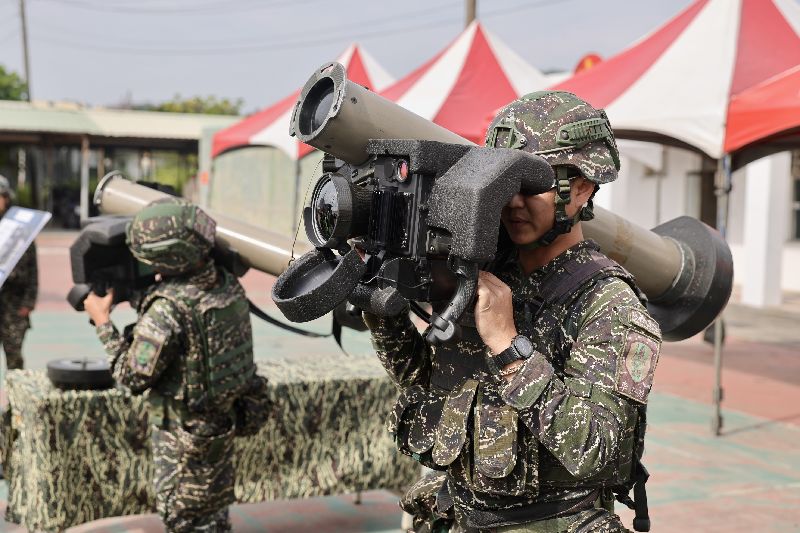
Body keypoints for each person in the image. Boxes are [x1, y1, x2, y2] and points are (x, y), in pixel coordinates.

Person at [365, 91, 660, 533]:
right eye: (504, 184)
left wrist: (509, 347)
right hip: (458, 515)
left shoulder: (608, 303)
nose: (514, 202)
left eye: (532, 186)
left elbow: (596, 450)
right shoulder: (482, 270)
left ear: (582, 188)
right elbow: (423, 378)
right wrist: (381, 310)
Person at [84, 197, 257, 532]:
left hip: (183, 442)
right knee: (213, 516)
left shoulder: (167, 311)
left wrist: (103, 322)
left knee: (184, 520)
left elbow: (131, 376)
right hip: (219, 429)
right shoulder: (227, 284)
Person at [0, 175, 38, 371]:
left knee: (14, 360)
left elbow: (32, 270)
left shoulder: (21, 230)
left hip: (13, 306)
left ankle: (15, 392)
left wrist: (28, 303)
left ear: (6, 198)